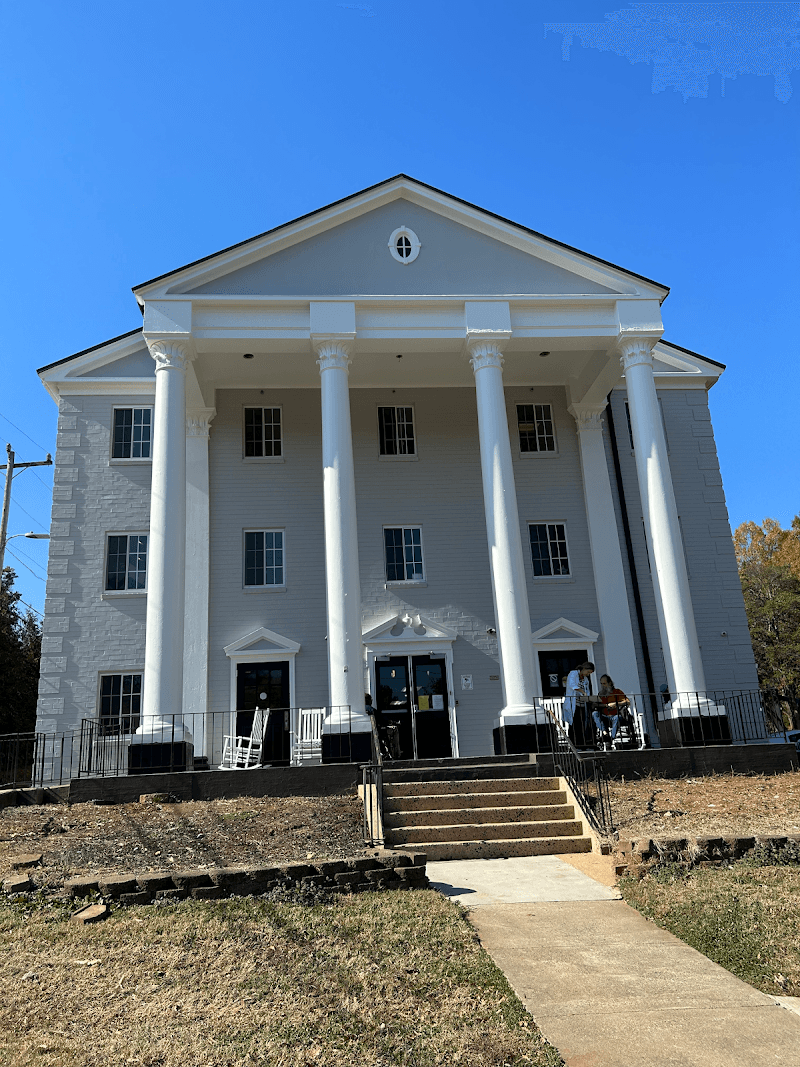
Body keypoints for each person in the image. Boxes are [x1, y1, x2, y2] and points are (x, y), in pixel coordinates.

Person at [593, 675, 629, 748]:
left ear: (610, 683)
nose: (603, 686)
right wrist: (606, 706)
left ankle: (612, 738)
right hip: (604, 716)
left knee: (617, 718)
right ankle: (605, 733)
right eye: (601, 684)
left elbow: (627, 702)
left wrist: (616, 703)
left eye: (605, 683)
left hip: (616, 715)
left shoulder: (617, 692)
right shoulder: (601, 694)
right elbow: (596, 705)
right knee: (595, 713)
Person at [564, 662, 594, 747]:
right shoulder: (573, 673)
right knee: (573, 724)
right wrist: (582, 692)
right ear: (584, 669)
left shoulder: (585, 679)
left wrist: (588, 697)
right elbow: (572, 685)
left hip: (582, 704)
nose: (588, 675)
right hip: (573, 703)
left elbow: (587, 690)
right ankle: (573, 744)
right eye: (588, 672)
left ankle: (581, 744)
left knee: (581, 724)